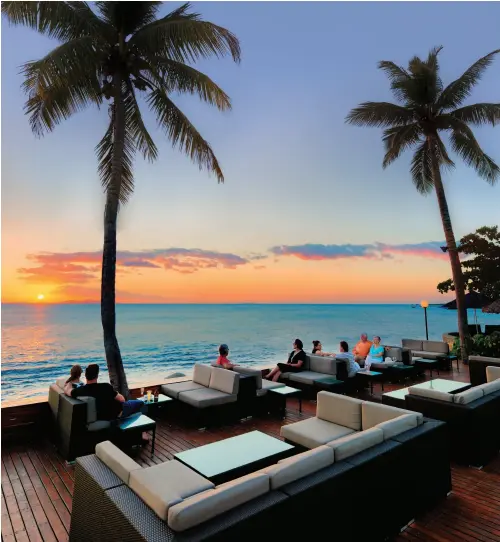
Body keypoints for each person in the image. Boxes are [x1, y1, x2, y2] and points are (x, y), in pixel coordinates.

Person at [68, 364, 145, 422]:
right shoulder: (105, 386)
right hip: (118, 413)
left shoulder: (80, 390)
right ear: (97, 376)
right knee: (141, 403)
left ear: (85, 376)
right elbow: (122, 400)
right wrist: (115, 393)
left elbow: (67, 390)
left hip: (101, 416)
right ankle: (143, 433)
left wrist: (68, 383)